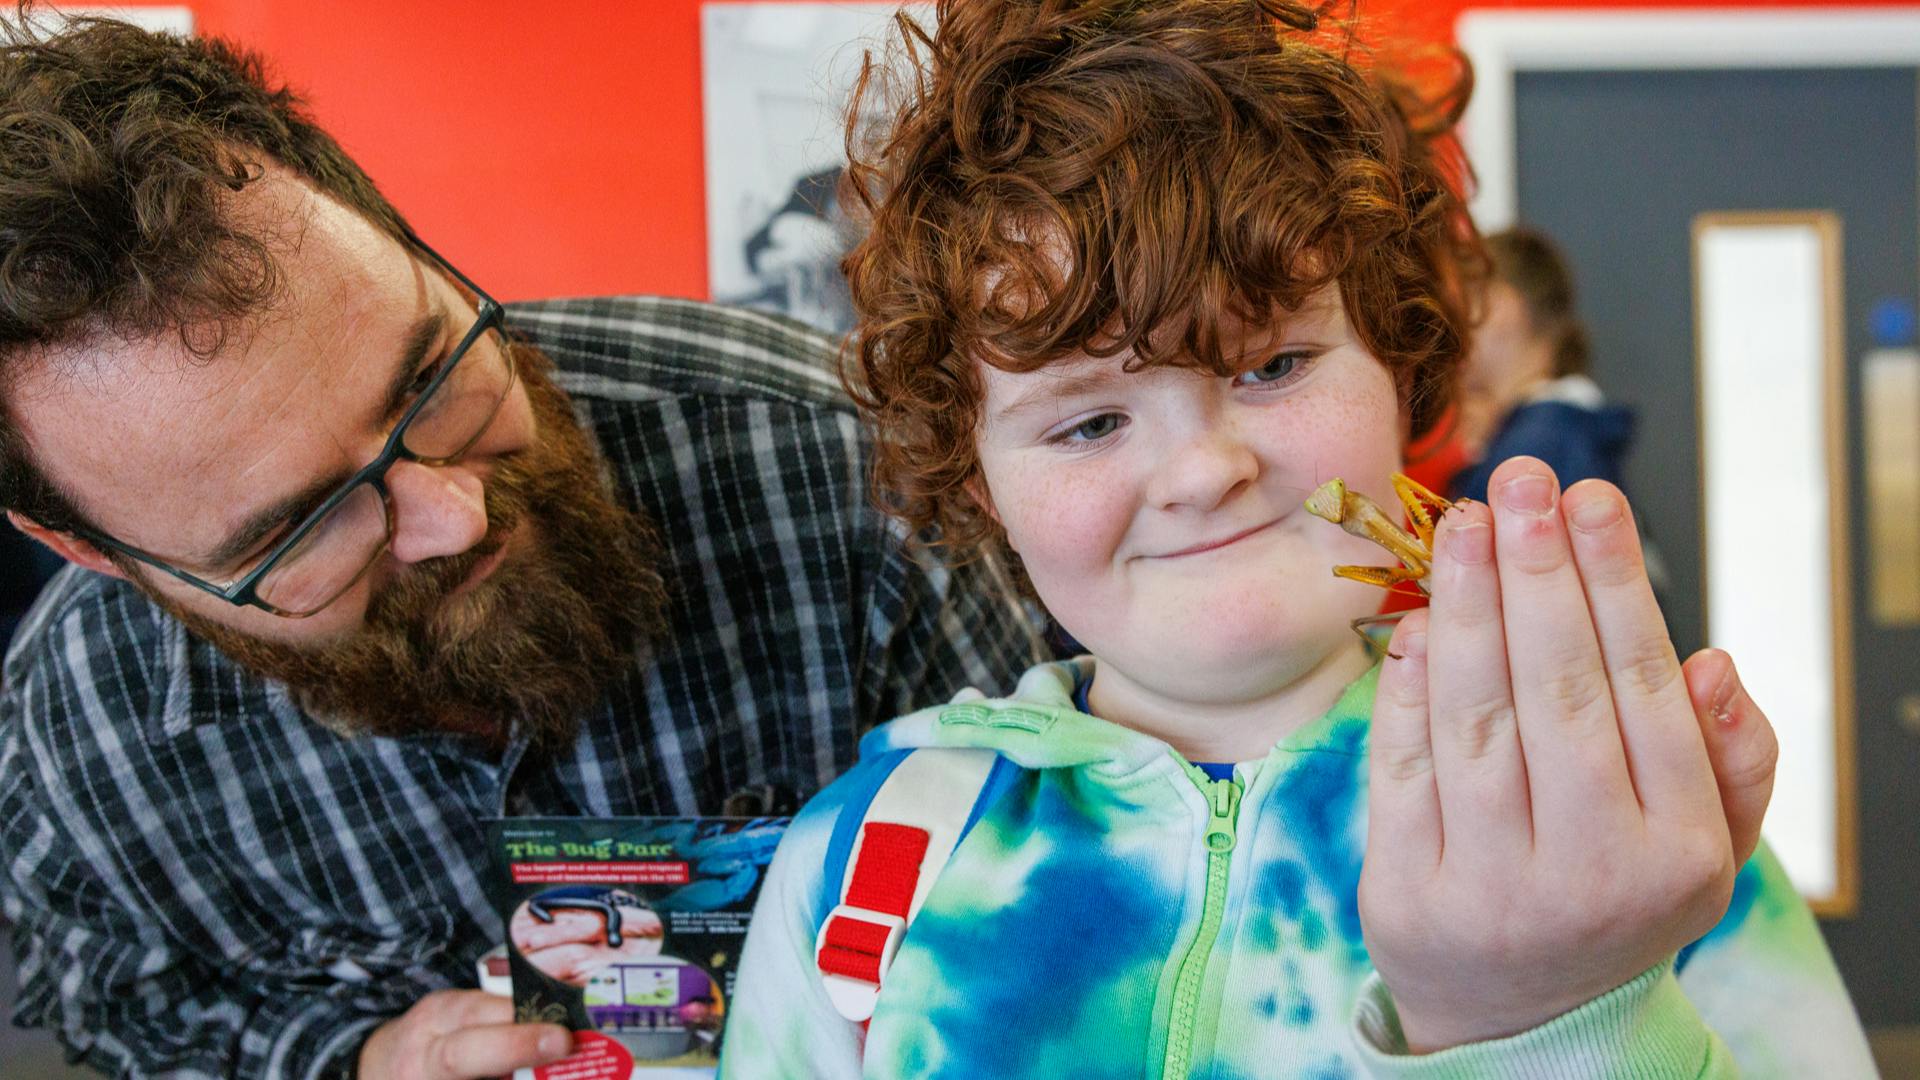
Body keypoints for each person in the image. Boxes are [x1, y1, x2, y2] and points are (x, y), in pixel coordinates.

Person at [720, 1, 1876, 1076]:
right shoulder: (860, 869)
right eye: (1089, 422)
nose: (1205, 471)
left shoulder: (1606, 810)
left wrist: (1566, 1017)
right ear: (981, 486)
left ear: (1399, 366)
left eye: (1272, 365)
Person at [0, 12, 1044, 1080]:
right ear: (95, 552)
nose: (456, 515)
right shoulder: (80, 737)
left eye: (429, 380)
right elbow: (122, 1004)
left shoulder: (848, 480)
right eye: (302, 524)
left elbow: (1081, 885)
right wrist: (355, 1061)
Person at [1450, 227, 1632, 502]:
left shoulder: (1534, 450)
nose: (1448, 330)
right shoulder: (1559, 431)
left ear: (1501, 307)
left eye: (1461, 306)